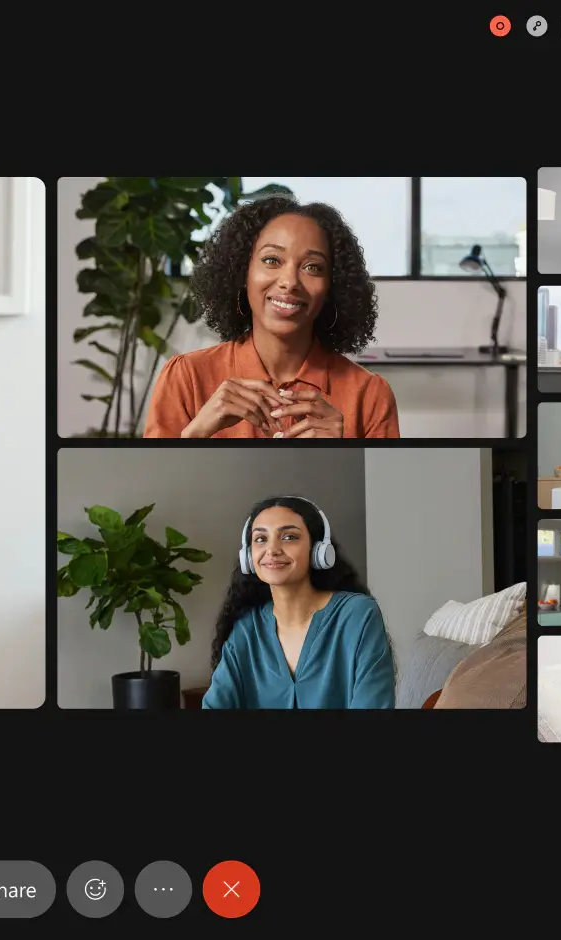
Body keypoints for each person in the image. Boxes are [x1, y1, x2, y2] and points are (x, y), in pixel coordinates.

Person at [143, 196, 400, 439]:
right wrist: (195, 434)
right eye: (271, 260)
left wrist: (343, 456)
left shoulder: (369, 395)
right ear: (242, 272)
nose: (289, 282)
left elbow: (387, 487)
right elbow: (153, 484)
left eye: (312, 267)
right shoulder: (187, 378)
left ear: (333, 286)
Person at [203, 496, 396, 709]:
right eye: (260, 539)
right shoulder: (247, 630)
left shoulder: (358, 615)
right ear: (248, 557)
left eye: (289, 537)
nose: (272, 549)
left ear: (318, 550)